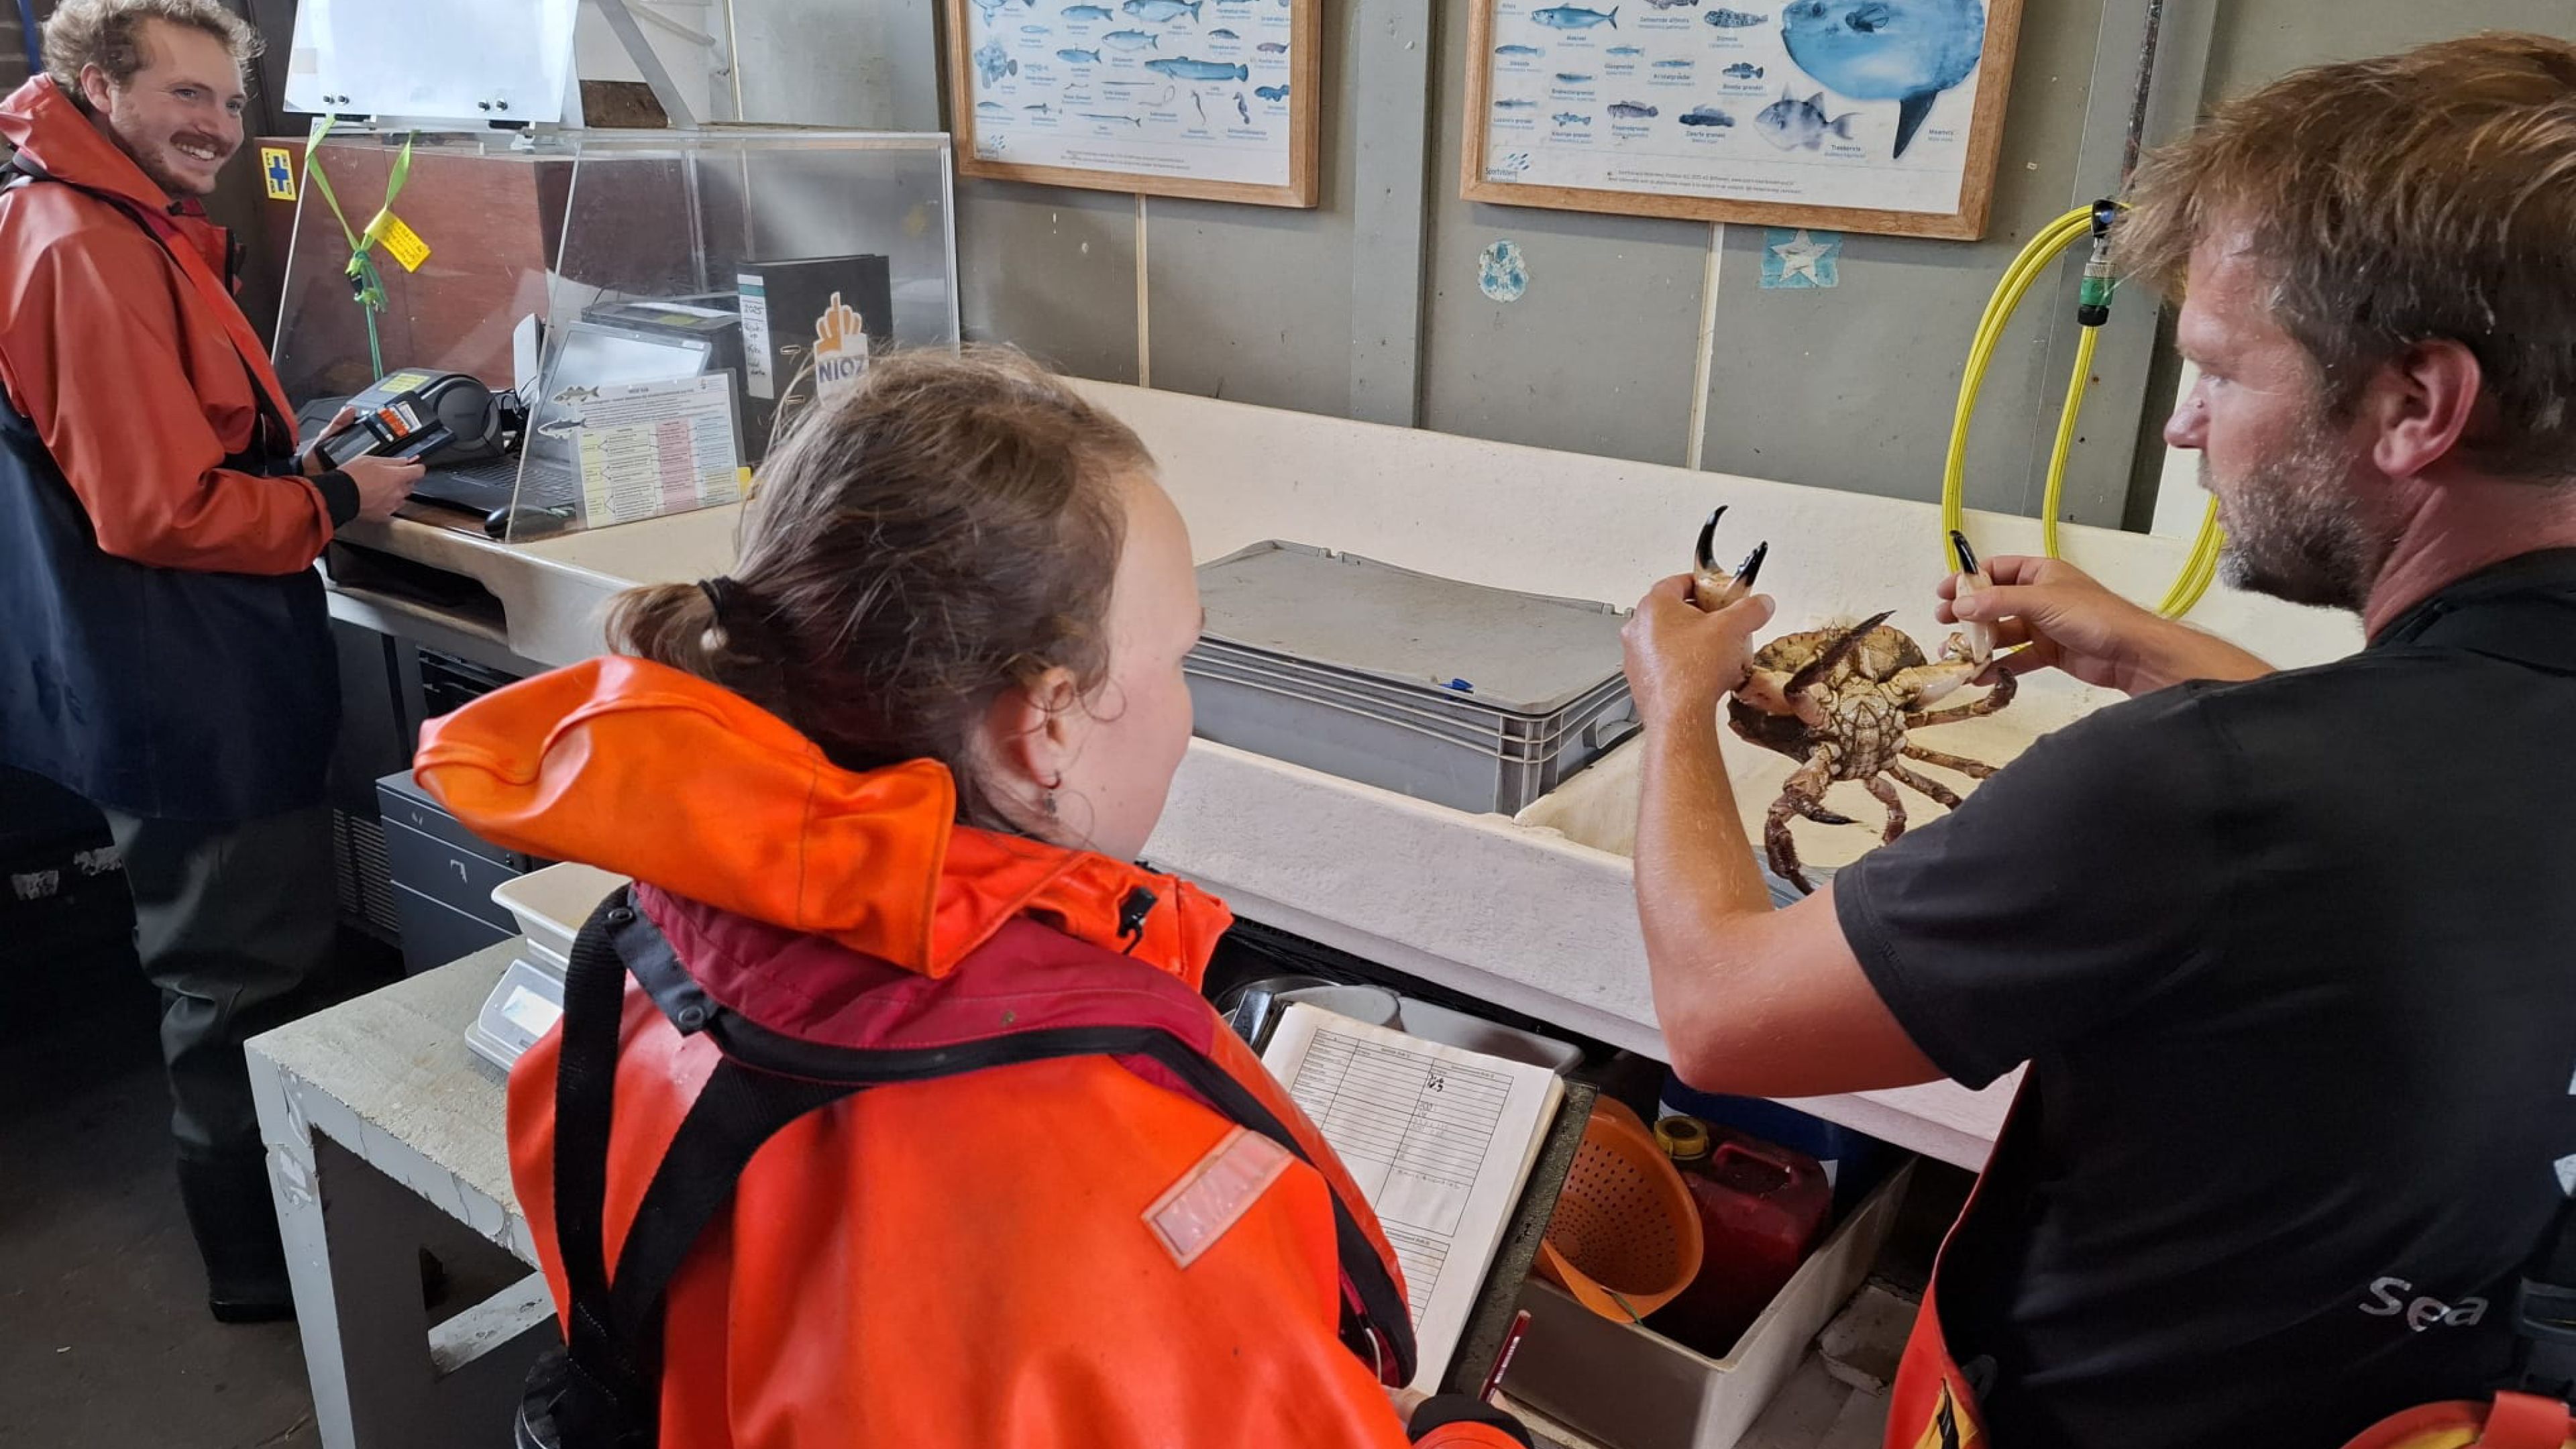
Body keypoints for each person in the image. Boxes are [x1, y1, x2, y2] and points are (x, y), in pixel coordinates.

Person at [1617, 33, 2576, 1449]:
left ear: (2416, 405)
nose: (2185, 429)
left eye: (2218, 371)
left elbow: (1720, 1014)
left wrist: (1678, 703)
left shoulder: (2194, 792)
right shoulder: (2407, 755)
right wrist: (2156, 647)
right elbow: (2426, 787)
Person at [413, 348, 1529, 1448]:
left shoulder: (635, 974)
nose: (1189, 711)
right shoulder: (1135, 1194)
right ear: (1045, 724)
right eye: (1183, 658)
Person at [0, 0, 422, 1322]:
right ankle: (277, 1273)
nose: (218, 128)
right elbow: (156, 510)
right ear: (97, 82)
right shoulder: (78, 242)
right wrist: (339, 507)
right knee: (247, 984)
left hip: (157, 662)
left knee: (245, 967)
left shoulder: (93, 216)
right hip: (179, 679)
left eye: (232, 105)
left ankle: (290, 1248)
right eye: (186, 94)